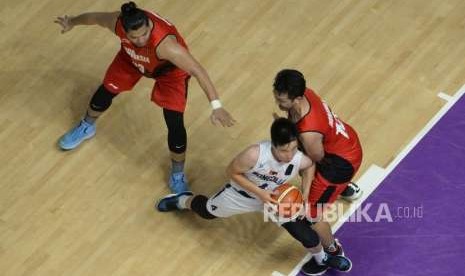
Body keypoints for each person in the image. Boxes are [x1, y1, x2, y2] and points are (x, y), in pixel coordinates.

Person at [54, 1, 235, 193]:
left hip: (170, 73)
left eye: (144, 34)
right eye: (135, 37)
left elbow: (198, 70)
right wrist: (72, 21)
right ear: (124, 30)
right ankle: (86, 126)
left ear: (149, 24)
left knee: (174, 121)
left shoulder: (167, 46)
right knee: (106, 90)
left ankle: (177, 174)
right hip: (131, 59)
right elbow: (94, 18)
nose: (141, 40)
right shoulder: (116, 21)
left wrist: (216, 106)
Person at [157, 118, 352, 275]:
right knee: (207, 211)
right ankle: (182, 199)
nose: (290, 155)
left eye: (293, 149)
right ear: (274, 145)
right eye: (285, 150)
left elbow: (310, 166)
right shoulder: (254, 154)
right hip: (241, 194)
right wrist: (260, 193)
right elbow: (232, 172)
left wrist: (306, 193)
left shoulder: (298, 158)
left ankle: (323, 259)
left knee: (303, 231)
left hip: (277, 198)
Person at [273, 69, 363, 253]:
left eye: (282, 101)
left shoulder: (309, 133)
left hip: (339, 164)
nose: (278, 103)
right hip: (346, 140)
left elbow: (316, 159)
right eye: (276, 98)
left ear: (297, 98)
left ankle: (332, 250)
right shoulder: (306, 92)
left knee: (311, 215)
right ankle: (343, 188)